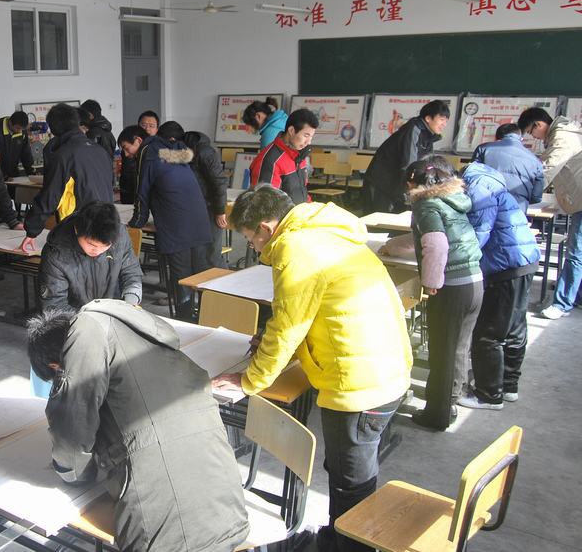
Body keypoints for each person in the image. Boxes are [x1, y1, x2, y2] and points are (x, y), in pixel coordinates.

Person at [212, 186, 412, 552]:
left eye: (250, 239)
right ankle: (337, 539)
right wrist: (272, 342)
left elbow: (288, 327)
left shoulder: (295, 249)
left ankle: (350, 546)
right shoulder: (321, 230)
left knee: (352, 484)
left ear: (266, 228)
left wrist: (249, 380)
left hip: (360, 384)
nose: (253, 248)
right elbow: (316, 310)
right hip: (382, 364)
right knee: (348, 473)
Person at [28, 300, 250, 552]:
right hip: (229, 512)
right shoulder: (143, 335)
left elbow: (72, 435)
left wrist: (71, 472)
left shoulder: (86, 333)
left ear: (56, 366)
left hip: (169, 538)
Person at [404, 156, 483, 431]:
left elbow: (436, 244)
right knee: (458, 348)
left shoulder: (425, 203)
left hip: (452, 287)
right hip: (474, 281)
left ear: (414, 182)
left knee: (442, 352)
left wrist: (430, 282)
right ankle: (449, 402)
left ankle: (437, 415)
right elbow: (436, 236)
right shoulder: (452, 199)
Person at [459, 161, 540, 410]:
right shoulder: (490, 182)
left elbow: (478, 233)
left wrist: (454, 257)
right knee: (514, 328)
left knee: (488, 333)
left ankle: (488, 394)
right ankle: (508, 386)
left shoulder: (478, 187)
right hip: (523, 260)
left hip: (504, 265)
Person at [120, 125, 212, 320]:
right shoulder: (169, 149)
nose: (127, 155)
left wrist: (136, 222)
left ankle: (185, 319)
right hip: (199, 220)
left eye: (127, 148)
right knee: (200, 274)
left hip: (177, 224)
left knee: (181, 275)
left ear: (138, 140)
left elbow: (142, 191)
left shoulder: (147, 152)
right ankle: (205, 317)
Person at [19, 103, 114, 253]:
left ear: (53, 129)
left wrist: (32, 230)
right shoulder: (100, 151)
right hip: (106, 225)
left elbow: (50, 196)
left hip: (78, 227)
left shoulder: (63, 156)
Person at [518, 106, 582, 320]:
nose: (533, 137)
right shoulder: (563, 132)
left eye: (531, 131)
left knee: (576, 253)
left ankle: (562, 304)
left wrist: (525, 194)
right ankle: (577, 295)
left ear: (538, 124)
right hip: (578, 199)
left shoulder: (562, 137)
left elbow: (547, 168)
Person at [38, 201, 143, 310]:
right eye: (91, 244)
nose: (98, 251)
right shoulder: (56, 253)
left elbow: (130, 270)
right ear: (77, 230)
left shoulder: (119, 234)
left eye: (105, 246)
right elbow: (54, 303)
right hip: (73, 315)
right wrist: (89, 318)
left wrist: (131, 297)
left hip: (112, 309)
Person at [158, 122, 230, 269]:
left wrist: (219, 211)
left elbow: (219, 182)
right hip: (192, 211)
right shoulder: (181, 152)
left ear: (172, 140)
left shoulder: (204, 152)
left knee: (209, 257)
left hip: (209, 210)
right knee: (197, 256)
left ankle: (222, 284)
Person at [362, 100, 450, 214]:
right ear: (428, 118)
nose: (444, 124)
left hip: (397, 185)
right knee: (378, 220)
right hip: (381, 183)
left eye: (446, 121)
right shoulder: (414, 129)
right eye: (441, 119)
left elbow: (426, 165)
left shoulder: (429, 135)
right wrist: (413, 191)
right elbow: (409, 164)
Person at [249, 108, 318, 205]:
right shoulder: (270, 161)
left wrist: (310, 207)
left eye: (311, 137)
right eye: (306, 135)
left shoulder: (300, 155)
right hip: (285, 215)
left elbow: (301, 191)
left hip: (300, 212)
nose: (309, 142)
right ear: (291, 130)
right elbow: (265, 204)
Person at [471, 122, 544, 212]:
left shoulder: (483, 149)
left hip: (484, 208)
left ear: (496, 138)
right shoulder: (535, 161)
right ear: (520, 139)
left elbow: (470, 178)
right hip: (516, 212)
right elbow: (536, 197)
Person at [0, 110, 34, 178]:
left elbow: (26, 153)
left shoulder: (22, 131)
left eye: (22, 129)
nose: (20, 131)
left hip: (13, 174)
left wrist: (31, 172)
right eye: (18, 128)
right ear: (10, 122)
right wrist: (1, 176)